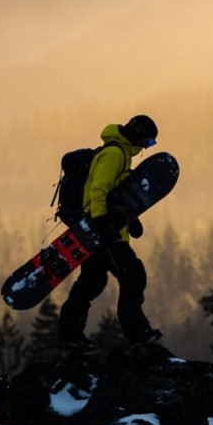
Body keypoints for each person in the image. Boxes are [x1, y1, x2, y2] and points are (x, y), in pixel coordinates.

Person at [57, 115, 162, 349]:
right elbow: (98, 189)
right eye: (148, 142)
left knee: (92, 282)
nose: (146, 148)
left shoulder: (120, 153)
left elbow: (117, 195)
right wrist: (102, 221)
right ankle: (138, 333)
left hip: (99, 230)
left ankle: (69, 335)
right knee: (133, 274)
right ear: (138, 135)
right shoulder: (114, 154)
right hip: (104, 232)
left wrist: (130, 220)